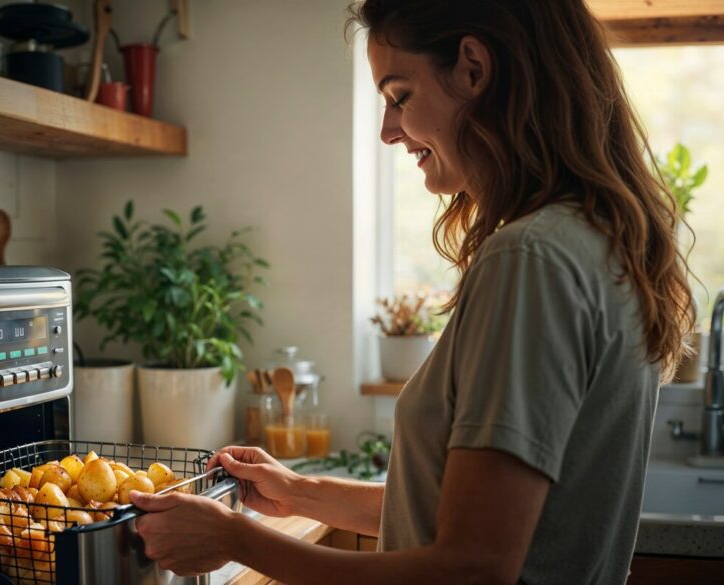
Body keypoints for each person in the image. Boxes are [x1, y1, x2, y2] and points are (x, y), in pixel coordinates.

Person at [130, 1, 695, 583]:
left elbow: (470, 569)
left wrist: (236, 540)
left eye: (399, 96)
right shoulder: (597, 243)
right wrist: (300, 491)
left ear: (474, 69)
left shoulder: (531, 260)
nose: (386, 130)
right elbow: (473, 523)